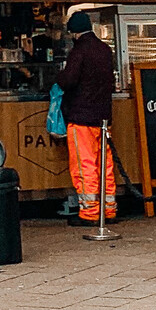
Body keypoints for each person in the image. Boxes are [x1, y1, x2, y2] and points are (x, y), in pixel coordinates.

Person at [55, 12, 117, 226]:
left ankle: (90, 213)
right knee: (104, 165)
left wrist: (58, 77)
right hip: (103, 118)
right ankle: (108, 209)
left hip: (82, 116)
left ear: (73, 32)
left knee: (85, 165)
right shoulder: (105, 49)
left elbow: (69, 81)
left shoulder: (79, 51)